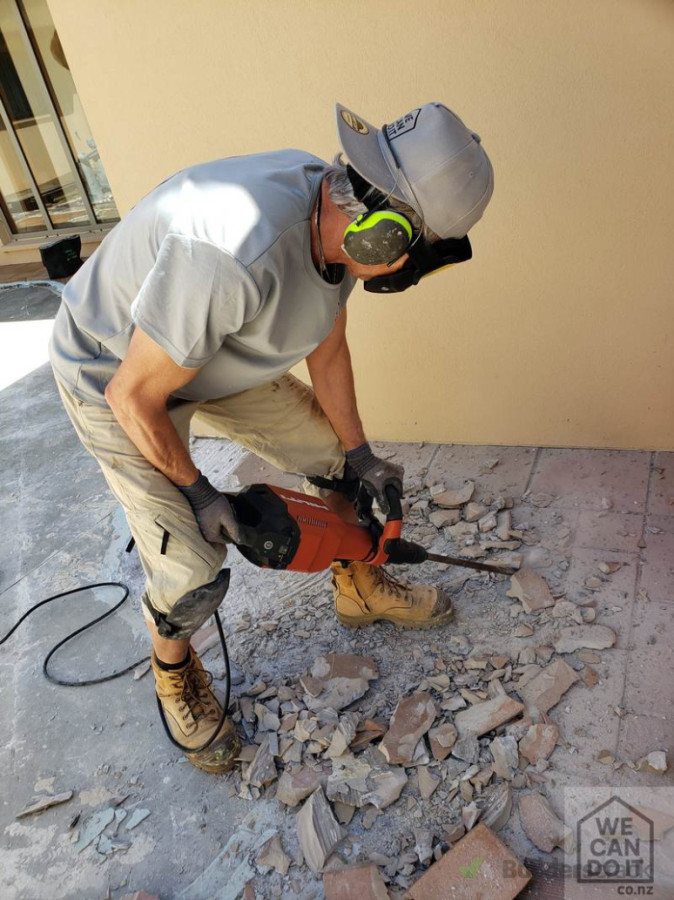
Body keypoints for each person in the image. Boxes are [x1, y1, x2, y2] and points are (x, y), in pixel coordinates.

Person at [49, 102, 493, 773]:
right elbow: (133, 396)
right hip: (115, 371)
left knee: (338, 464)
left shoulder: (337, 226)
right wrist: (201, 495)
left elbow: (329, 350)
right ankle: (174, 672)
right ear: (385, 235)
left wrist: (361, 457)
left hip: (209, 352)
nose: (410, 274)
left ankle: (359, 584)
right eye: (420, 256)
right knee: (192, 568)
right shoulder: (235, 253)